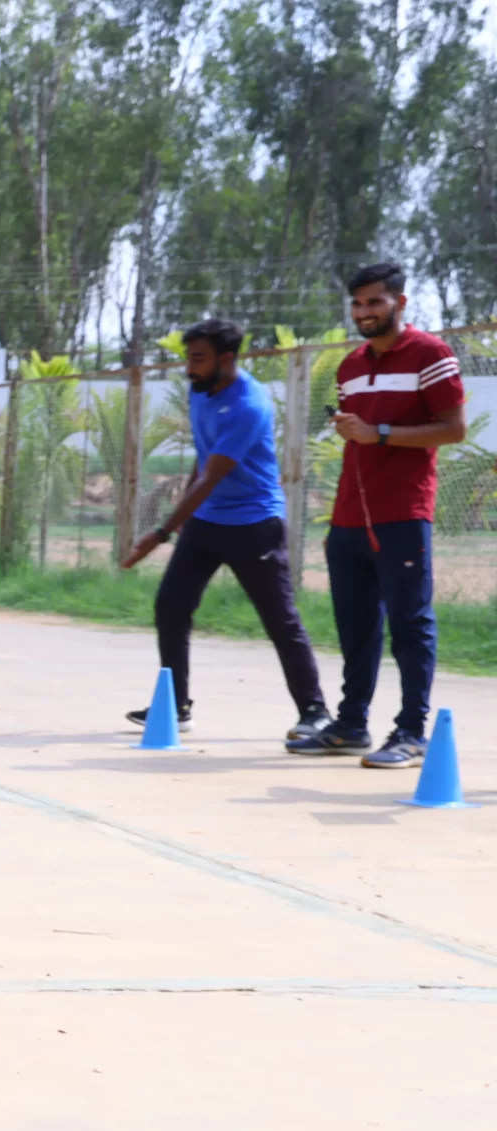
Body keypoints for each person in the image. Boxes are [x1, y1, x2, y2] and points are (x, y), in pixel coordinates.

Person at [289, 262, 467, 767]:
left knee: (410, 624)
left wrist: (380, 432)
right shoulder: (350, 365)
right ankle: (351, 725)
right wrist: (358, 429)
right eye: (358, 304)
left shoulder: (431, 354)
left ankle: (412, 732)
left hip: (403, 512)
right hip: (348, 518)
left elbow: (453, 429)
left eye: (375, 302)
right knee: (355, 626)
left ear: (400, 303)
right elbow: (360, 433)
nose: (364, 313)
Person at [119, 318, 330, 741]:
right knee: (171, 606)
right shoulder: (202, 392)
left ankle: (315, 711)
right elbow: (204, 459)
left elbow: (212, 475)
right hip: (207, 520)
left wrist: (160, 533)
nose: (189, 367)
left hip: (254, 524)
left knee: (279, 618)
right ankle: (175, 706)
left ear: (227, 359)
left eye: (198, 358)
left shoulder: (249, 404)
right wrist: (185, 523)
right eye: (187, 357)